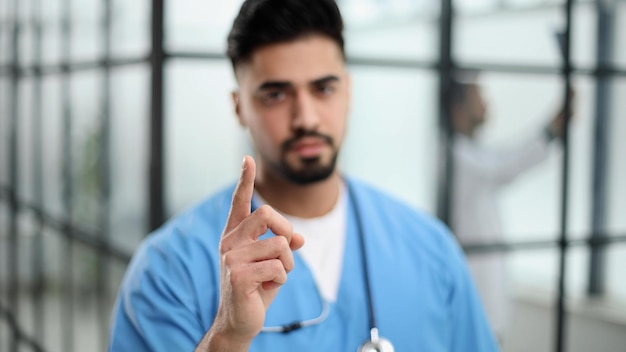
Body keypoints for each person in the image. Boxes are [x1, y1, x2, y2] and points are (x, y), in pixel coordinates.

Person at [108, 1, 498, 351]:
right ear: (239, 107)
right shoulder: (166, 272)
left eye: (323, 89)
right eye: (275, 94)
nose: (306, 118)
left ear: (348, 92)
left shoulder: (431, 251)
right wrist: (227, 338)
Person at [448, 73, 571, 342]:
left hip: (487, 303)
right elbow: (505, 166)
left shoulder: (470, 152)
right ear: (458, 108)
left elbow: (504, 158)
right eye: (478, 95)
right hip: (475, 300)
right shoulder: (454, 157)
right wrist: (551, 130)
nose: (487, 103)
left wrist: (552, 130)